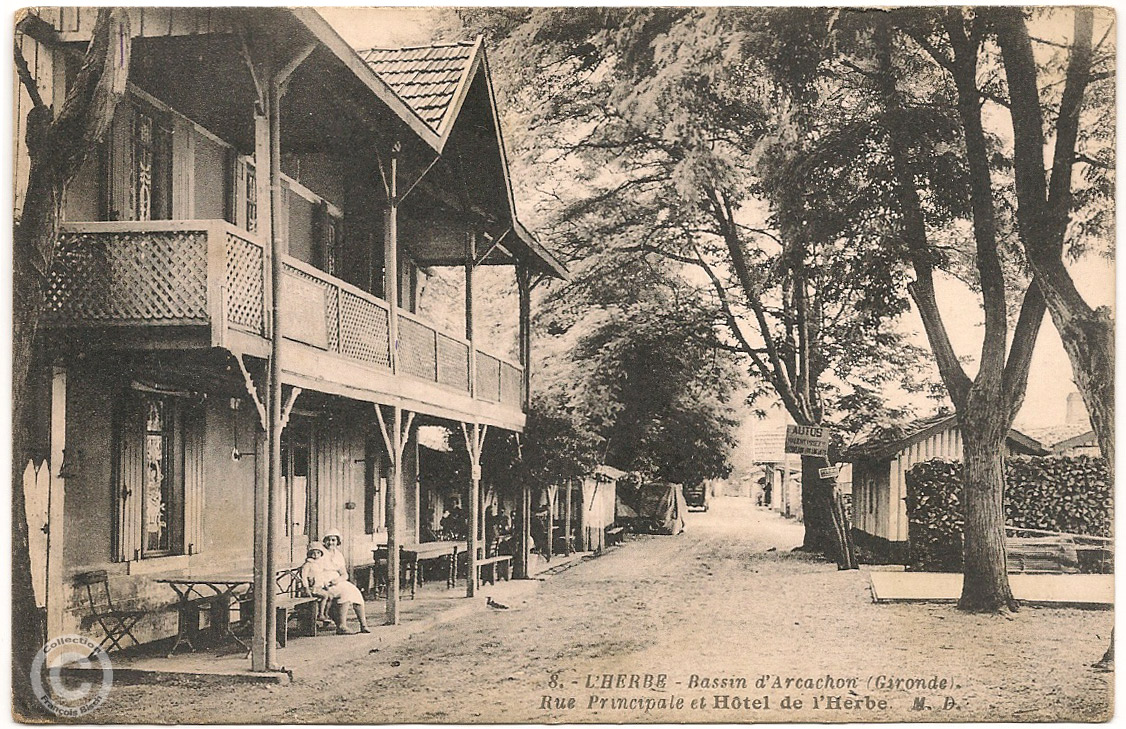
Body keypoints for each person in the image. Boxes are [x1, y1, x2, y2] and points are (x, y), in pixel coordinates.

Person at [320, 530, 370, 634]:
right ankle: (341, 626)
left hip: (336, 581)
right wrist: (324, 581)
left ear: (337, 541)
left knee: (355, 592)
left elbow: (344, 574)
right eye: (328, 540)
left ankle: (363, 624)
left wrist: (337, 580)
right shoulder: (320, 553)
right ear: (324, 541)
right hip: (323, 583)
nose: (330, 542)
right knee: (345, 593)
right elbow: (315, 570)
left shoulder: (338, 554)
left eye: (333, 540)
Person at [299, 545, 334, 627]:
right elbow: (303, 577)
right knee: (325, 595)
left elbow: (321, 575)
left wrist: (325, 584)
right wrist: (306, 588)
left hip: (319, 586)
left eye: (318, 552)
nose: (315, 554)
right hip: (311, 588)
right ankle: (320, 614)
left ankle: (325, 614)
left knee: (331, 596)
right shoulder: (308, 564)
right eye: (313, 553)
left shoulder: (319, 564)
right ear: (309, 554)